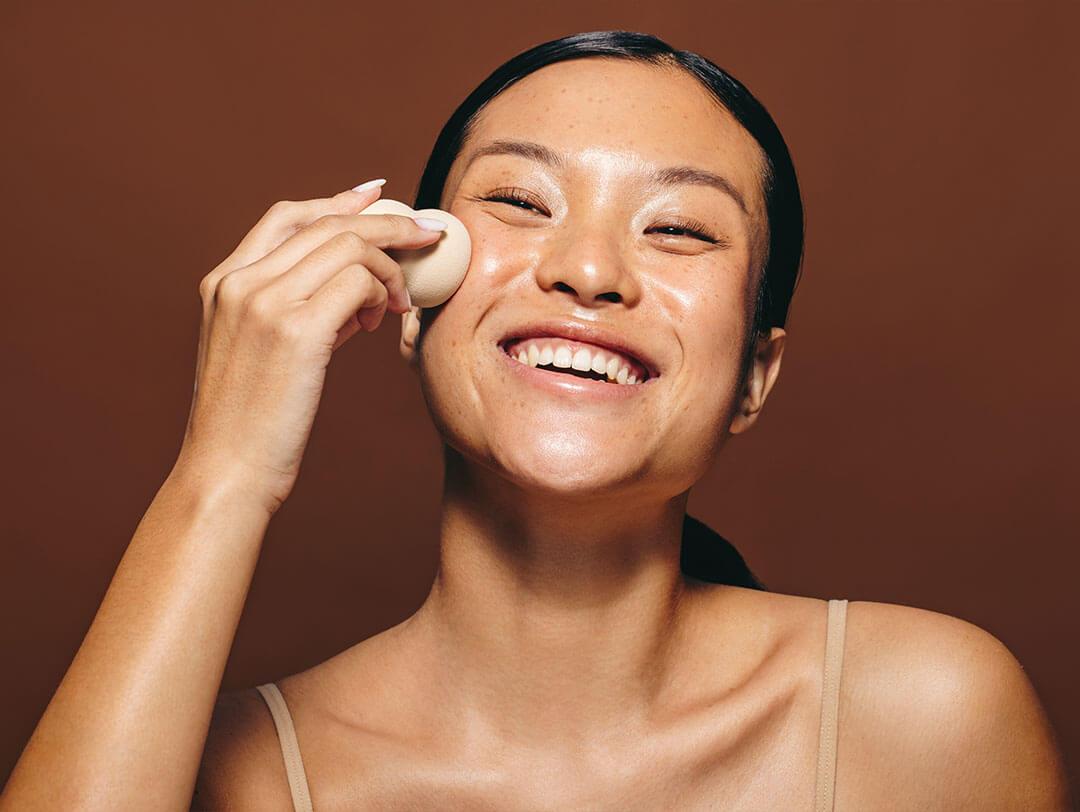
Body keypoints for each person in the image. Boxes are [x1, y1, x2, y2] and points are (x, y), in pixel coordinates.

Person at [1, 30, 1070, 811]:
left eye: (680, 228)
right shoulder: (241, 775)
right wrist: (222, 470)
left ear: (755, 373)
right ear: (414, 302)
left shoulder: (929, 717)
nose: (588, 270)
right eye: (519, 202)